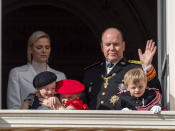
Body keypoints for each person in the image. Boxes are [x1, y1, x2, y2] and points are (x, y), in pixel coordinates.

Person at [83, 27, 162, 110]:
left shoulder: (135, 68)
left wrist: (147, 67)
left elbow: (156, 93)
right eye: (108, 45)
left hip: (122, 121)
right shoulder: (91, 72)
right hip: (94, 121)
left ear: (123, 46)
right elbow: (83, 102)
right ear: (102, 47)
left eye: (116, 44)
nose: (112, 48)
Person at [7, 31, 66, 109]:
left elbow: (65, 105)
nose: (44, 51)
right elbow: (13, 108)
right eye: (39, 47)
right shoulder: (17, 73)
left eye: (47, 47)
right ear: (30, 49)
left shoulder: (60, 76)